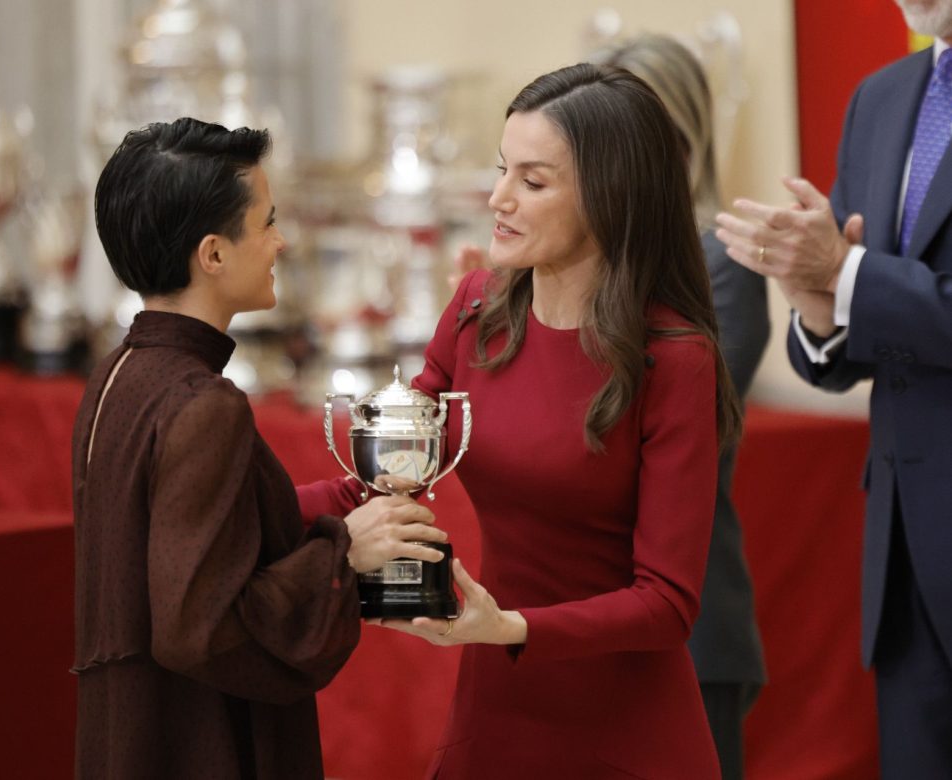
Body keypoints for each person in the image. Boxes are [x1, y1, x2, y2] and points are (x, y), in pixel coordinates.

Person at [358, 63, 741, 777]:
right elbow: (391, 465)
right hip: (497, 701)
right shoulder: (476, 308)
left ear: (610, 197)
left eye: (532, 182)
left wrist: (509, 626)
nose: (498, 198)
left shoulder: (674, 359)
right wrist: (265, 513)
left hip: (624, 726)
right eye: (502, 170)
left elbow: (667, 603)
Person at [71, 118, 446, 779]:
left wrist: (332, 506)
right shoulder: (203, 403)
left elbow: (179, 533)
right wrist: (343, 554)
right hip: (198, 745)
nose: (282, 241)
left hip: (130, 733)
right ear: (213, 255)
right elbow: (198, 626)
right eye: (267, 222)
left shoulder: (118, 372)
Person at [715, 2, 952, 775]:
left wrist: (846, 275)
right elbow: (854, 325)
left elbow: (859, 274)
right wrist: (820, 310)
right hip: (905, 551)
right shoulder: (881, 97)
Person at [588, 34, 770, 780]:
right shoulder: (579, 264)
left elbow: (664, 430)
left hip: (687, 628)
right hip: (581, 622)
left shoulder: (723, 262)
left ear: (683, 140)